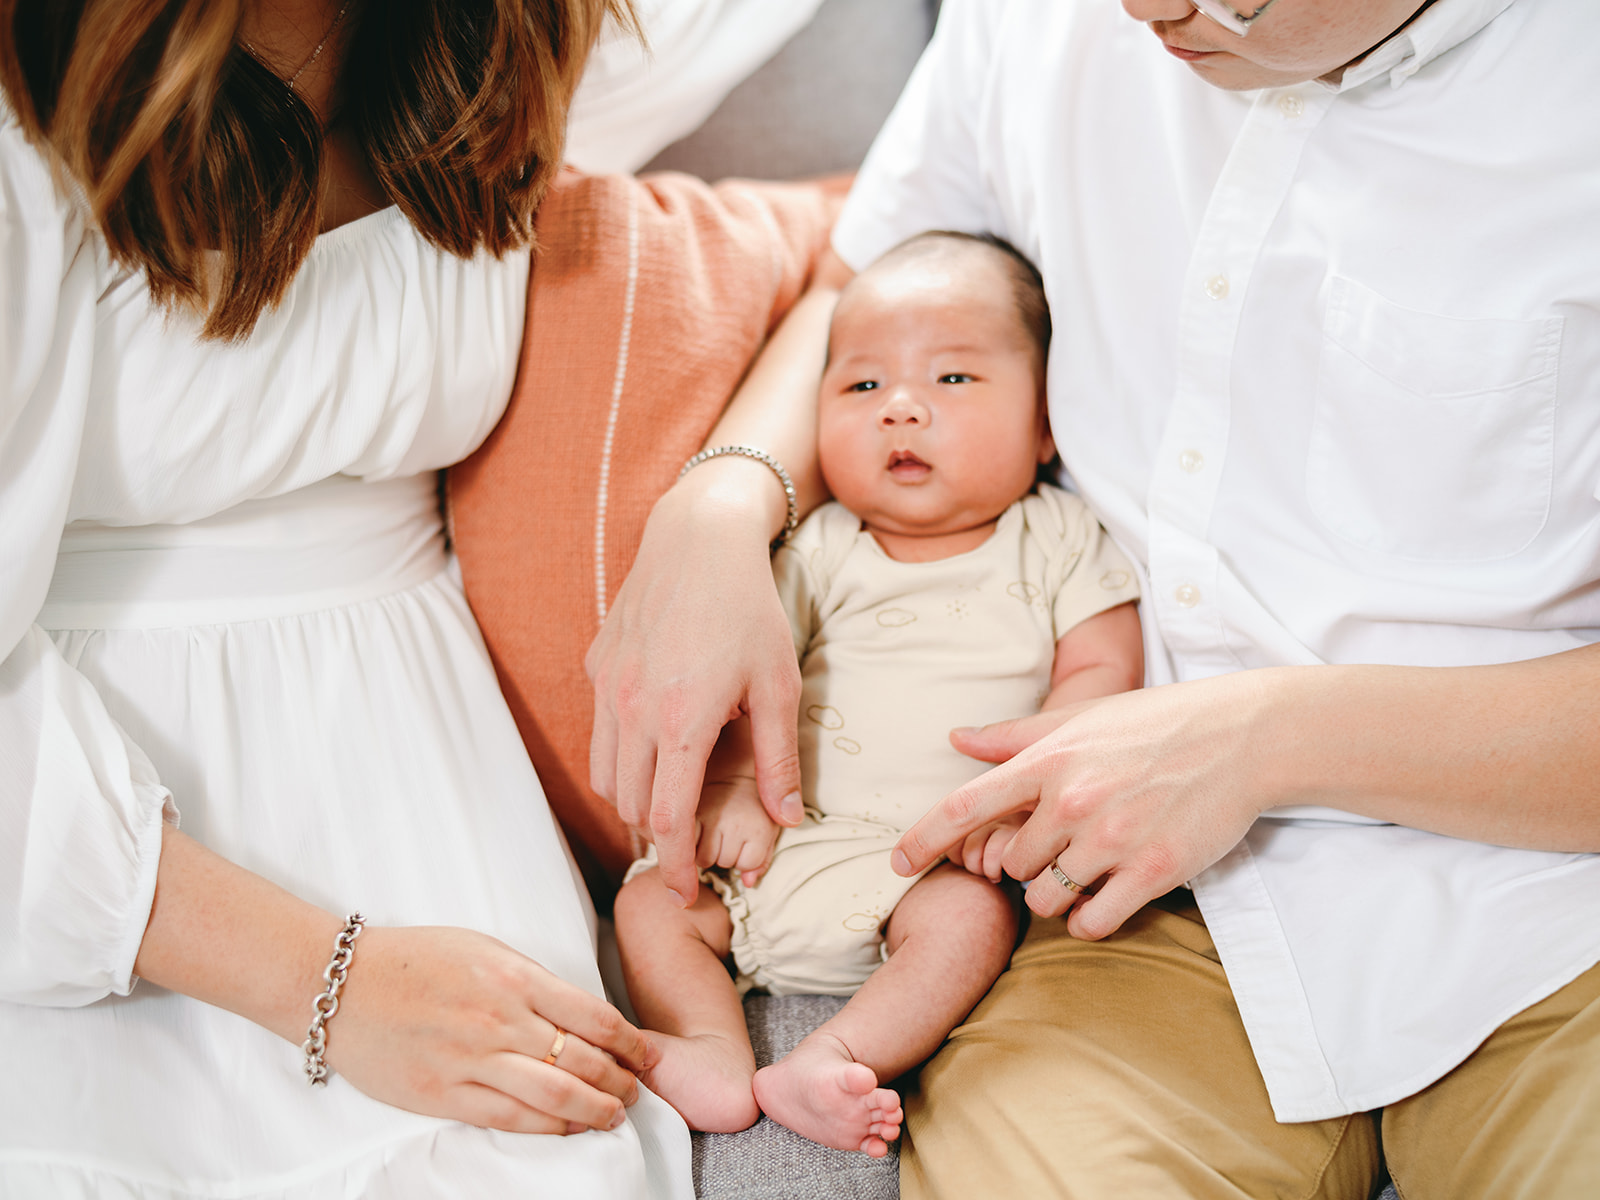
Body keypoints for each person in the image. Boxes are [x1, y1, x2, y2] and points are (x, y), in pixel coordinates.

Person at [586, 0, 1600, 1196]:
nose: (1146, 10)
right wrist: (713, 512)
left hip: (1551, 908)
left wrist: (1258, 742)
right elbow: (865, 290)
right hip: (1124, 911)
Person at [0, 2, 693, 1195]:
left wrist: (724, 508)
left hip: (436, 818)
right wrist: (332, 981)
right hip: (93, 864)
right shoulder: (27, 109)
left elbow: (894, 213)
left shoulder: (495, 44)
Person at [611, 231, 1143, 1156]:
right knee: (653, 900)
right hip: (775, 846)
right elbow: (749, 676)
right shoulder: (818, 545)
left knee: (971, 925)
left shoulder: (1060, 537)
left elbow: (1100, 678)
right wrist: (735, 786)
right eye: (862, 386)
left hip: (929, 863)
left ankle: (832, 1056)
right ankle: (709, 1049)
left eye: (953, 381)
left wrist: (1019, 796)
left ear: (1047, 422)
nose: (900, 409)